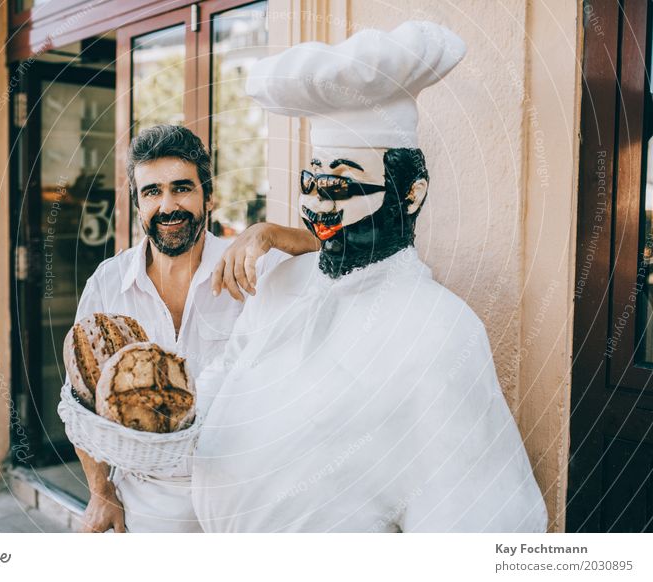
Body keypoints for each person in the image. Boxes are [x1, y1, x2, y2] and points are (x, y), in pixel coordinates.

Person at [192, 21, 549, 532]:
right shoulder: (282, 283)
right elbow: (225, 373)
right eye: (310, 184)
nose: (317, 208)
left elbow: (475, 525)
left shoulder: (440, 331)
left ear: (411, 195)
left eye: (340, 188)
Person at [70, 124, 318, 533]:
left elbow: (340, 256)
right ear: (138, 206)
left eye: (182, 188)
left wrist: (268, 232)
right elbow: (80, 402)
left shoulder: (255, 265)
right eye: (152, 192)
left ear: (210, 199)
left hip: (246, 501)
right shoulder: (108, 283)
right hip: (145, 507)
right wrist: (100, 491)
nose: (168, 205)